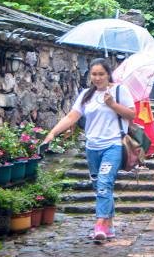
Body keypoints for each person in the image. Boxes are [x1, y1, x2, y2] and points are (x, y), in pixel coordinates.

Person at [42, 58, 135, 241]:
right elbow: (72, 116)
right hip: (92, 147)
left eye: (101, 74)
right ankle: (109, 225)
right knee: (99, 186)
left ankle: (99, 224)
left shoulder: (119, 91)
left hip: (113, 145)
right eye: (94, 74)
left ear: (109, 74)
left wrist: (113, 105)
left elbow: (132, 114)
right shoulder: (86, 94)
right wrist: (52, 133)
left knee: (104, 183)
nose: (98, 78)